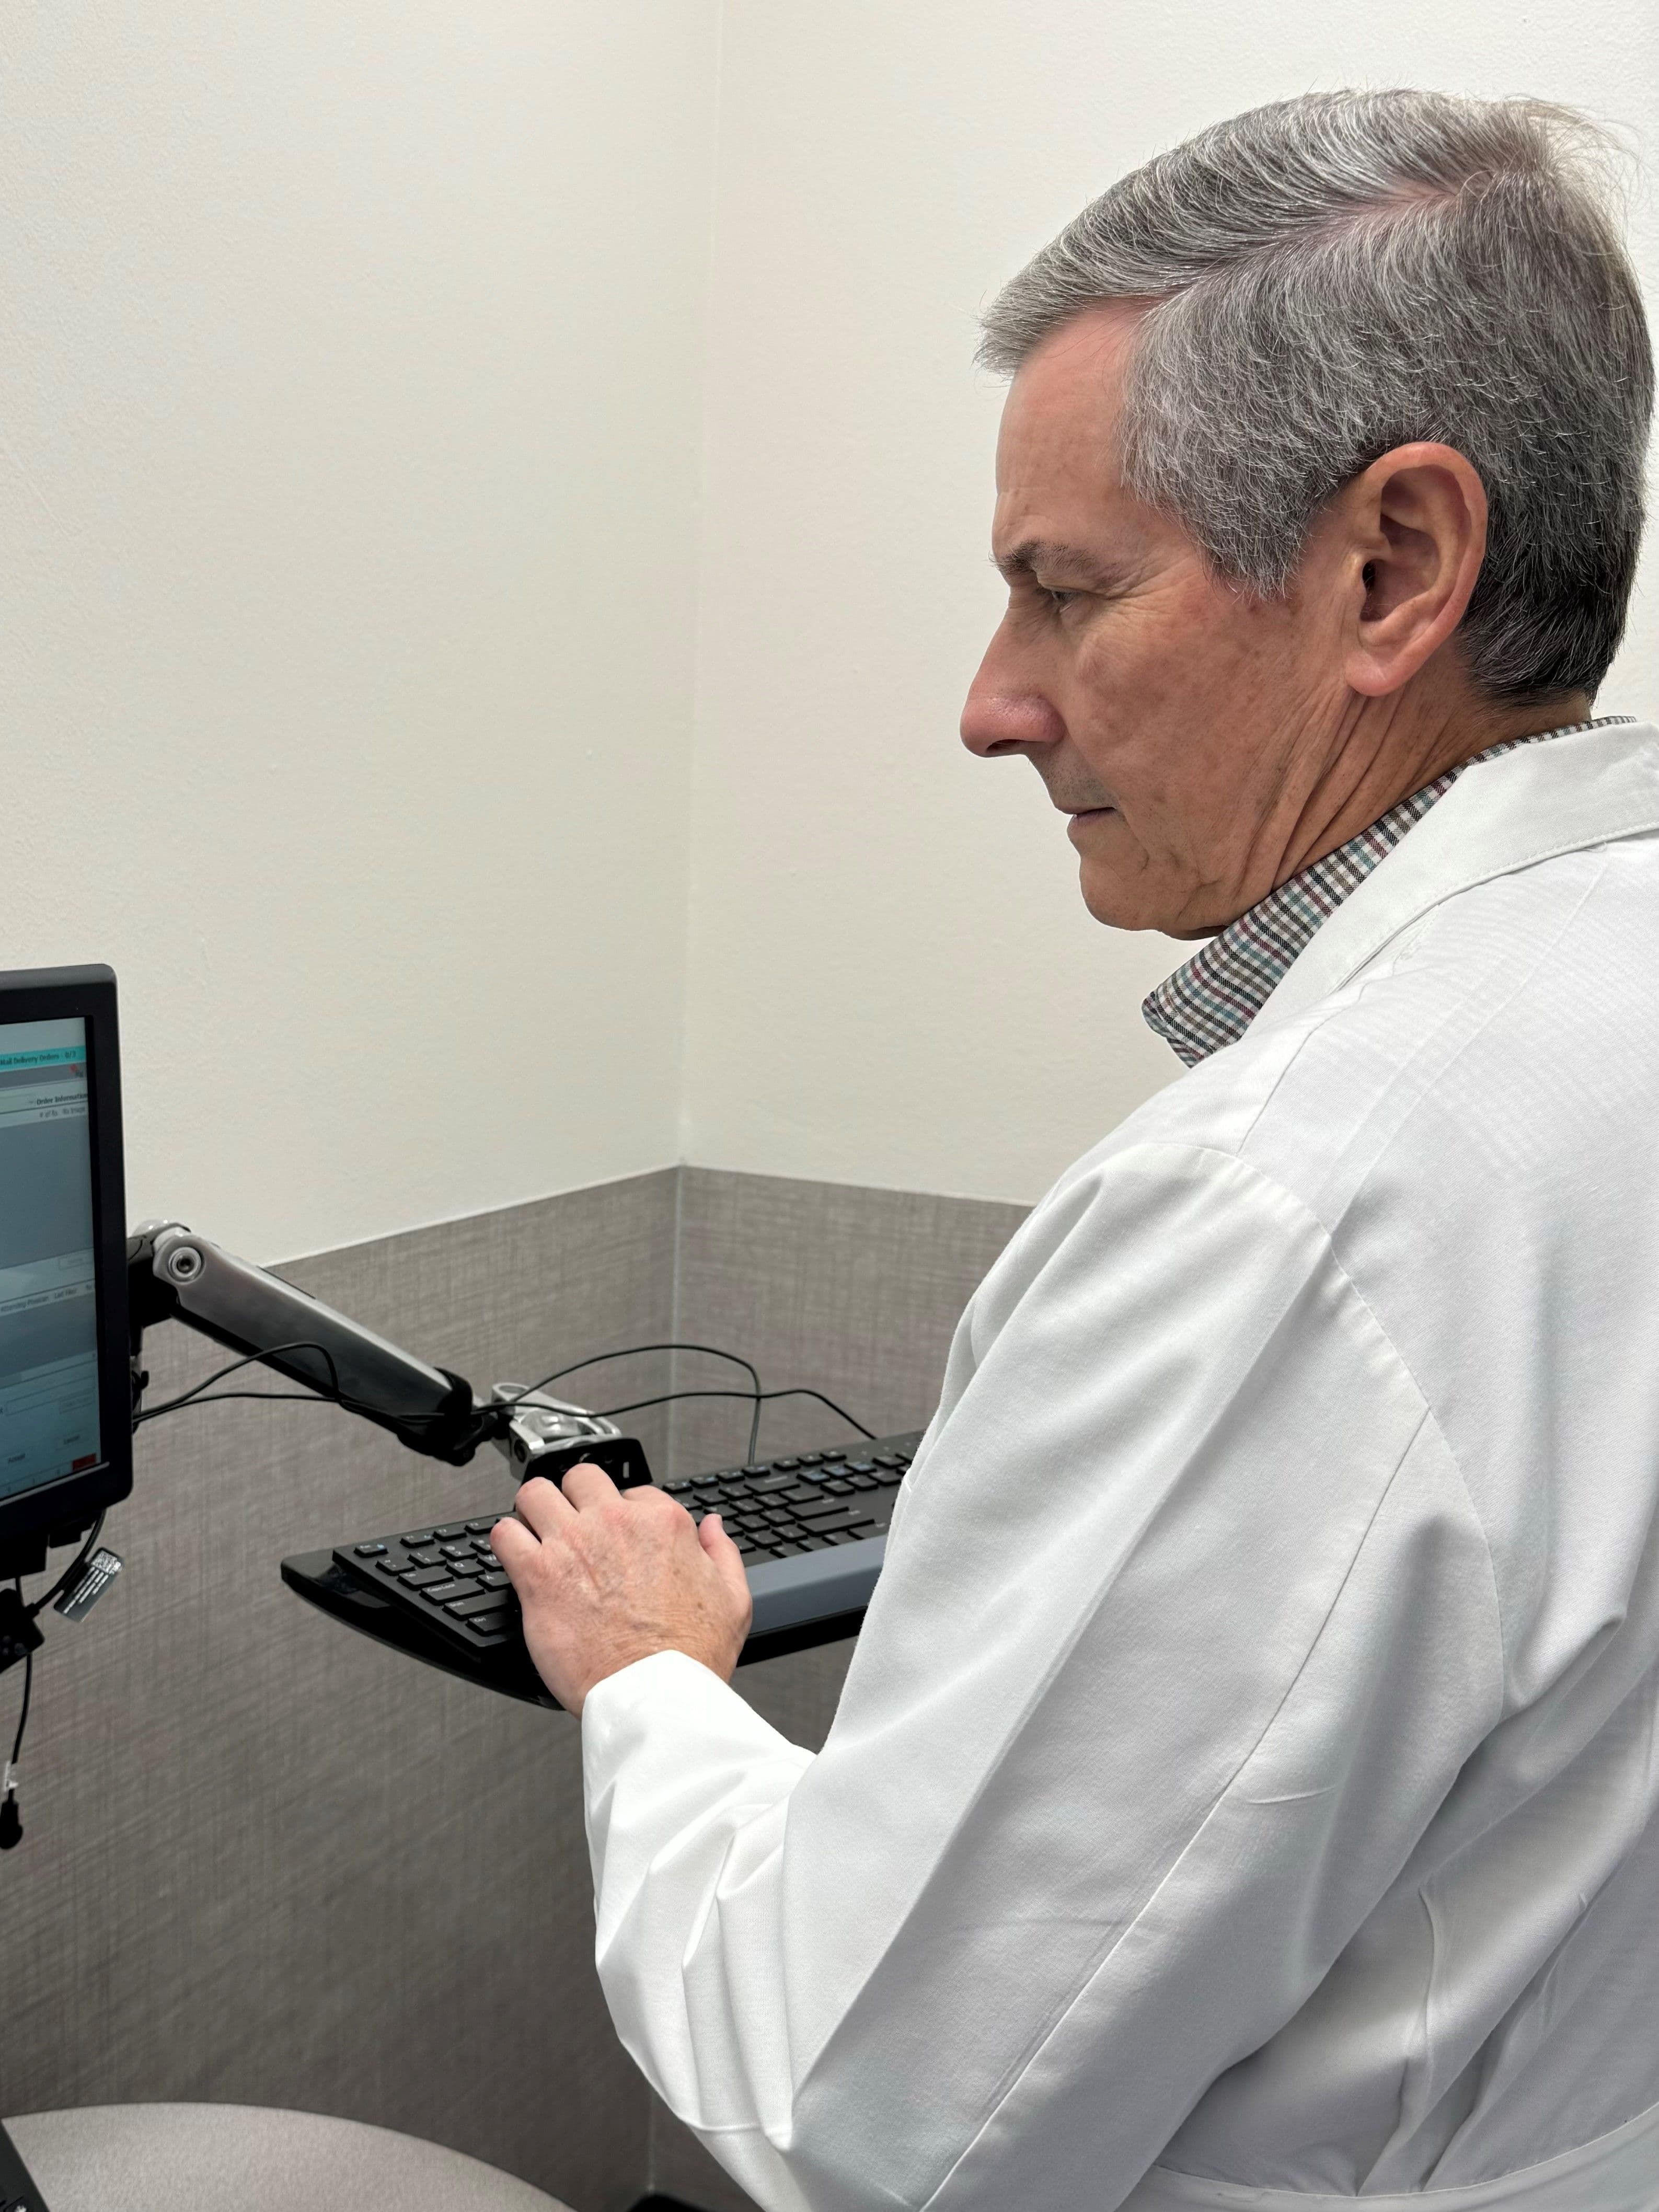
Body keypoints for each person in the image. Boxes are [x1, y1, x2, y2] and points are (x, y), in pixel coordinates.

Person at [492, 90, 1659, 2211]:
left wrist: (652, 1681)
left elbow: (873, 2113)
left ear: (1389, 566)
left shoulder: (1300, 1212)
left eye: (1061, 590)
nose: (986, 701)